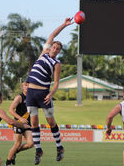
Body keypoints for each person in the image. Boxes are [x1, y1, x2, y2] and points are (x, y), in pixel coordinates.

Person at [26, 17, 73, 165]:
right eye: (54, 47)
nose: (54, 49)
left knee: (50, 121)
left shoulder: (56, 63)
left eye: (58, 49)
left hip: (43, 94)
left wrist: (51, 94)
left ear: (59, 52)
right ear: (50, 47)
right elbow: (52, 35)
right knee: (34, 122)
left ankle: (59, 147)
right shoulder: (43, 53)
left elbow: (56, 82)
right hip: (31, 94)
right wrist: (64, 25)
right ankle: (38, 150)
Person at [5, 82, 33, 166]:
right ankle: (8, 163)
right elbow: (10, 110)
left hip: (27, 124)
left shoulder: (32, 97)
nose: (27, 87)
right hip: (18, 123)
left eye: (28, 85)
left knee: (31, 143)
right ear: (22, 87)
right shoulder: (19, 97)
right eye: (25, 85)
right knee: (17, 144)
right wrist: (20, 118)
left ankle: (15, 152)